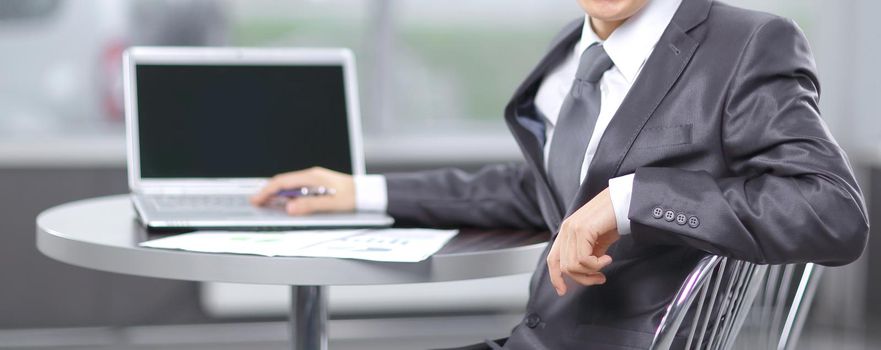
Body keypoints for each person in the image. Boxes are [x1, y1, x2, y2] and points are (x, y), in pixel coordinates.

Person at [251, 0, 869, 348]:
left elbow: (831, 213)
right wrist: (364, 190)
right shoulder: (574, 46)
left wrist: (631, 200)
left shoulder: (746, 43)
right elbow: (541, 187)